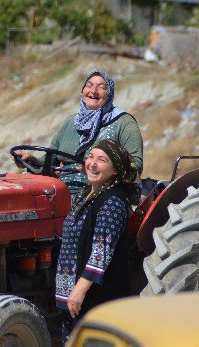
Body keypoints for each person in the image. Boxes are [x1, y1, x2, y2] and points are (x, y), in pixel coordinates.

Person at [55, 139, 137, 345]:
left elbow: (101, 252)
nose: (92, 163)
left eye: (102, 160)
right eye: (91, 157)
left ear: (116, 170)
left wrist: (79, 289)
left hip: (96, 297)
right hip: (74, 297)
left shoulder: (112, 202)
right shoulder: (85, 196)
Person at [16, 70, 143, 196]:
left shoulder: (123, 122)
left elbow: (135, 166)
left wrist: (96, 171)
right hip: (60, 190)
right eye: (89, 85)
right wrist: (31, 161)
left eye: (101, 87)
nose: (93, 91)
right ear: (82, 91)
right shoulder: (70, 122)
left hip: (101, 192)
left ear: (109, 94)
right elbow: (51, 158)